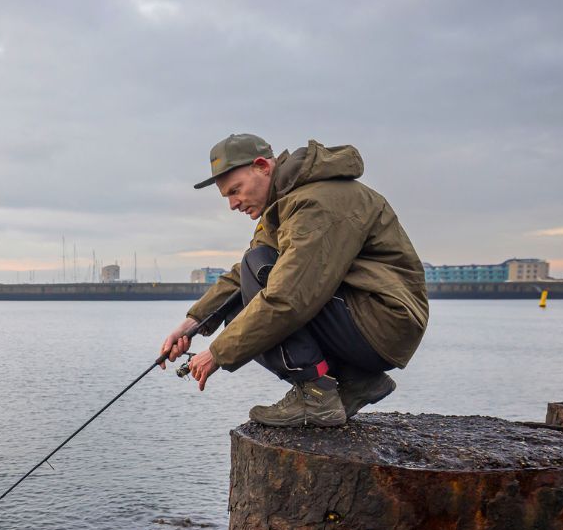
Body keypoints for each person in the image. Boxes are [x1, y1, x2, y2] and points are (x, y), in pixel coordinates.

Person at [160, 133, 428, 427]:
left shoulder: (315, 203)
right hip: (365, 318)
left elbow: (289, 298)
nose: (233, 205)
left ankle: (315, 396)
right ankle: (358, 381)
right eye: (227, 197)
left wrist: (216, 354)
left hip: (383, 322)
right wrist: (192, 324)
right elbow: (241, 278)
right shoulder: (286, 203)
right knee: (240, 302)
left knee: (259, 271)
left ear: (262, 166)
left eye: (236, 190)